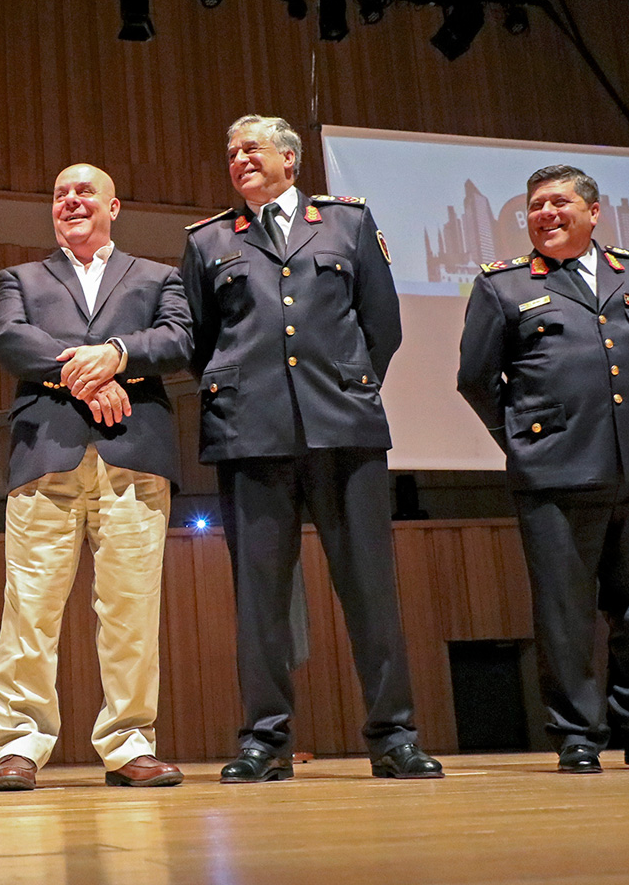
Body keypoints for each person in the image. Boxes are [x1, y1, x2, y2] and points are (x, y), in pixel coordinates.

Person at [181, 115, 442, 782]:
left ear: (290, 161)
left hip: (344, 432)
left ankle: (394, 738)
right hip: (251, 436)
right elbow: (202, 341)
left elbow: (382, 323)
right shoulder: (210, 240)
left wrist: (344, 389)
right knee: (260, 601)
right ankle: (264, 742)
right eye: (231, 151)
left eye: (253, 149)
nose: (239, 159)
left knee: (372, 593)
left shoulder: (348, 223)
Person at [458, 163, 629, 773]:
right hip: (553, 474)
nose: (545, 215)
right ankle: (579, 734)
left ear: (592, 210)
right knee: (565, 613)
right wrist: (528, 440)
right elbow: (476, 380)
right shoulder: (501, 285)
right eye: (535, 207)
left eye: (557, 203)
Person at [0, 164, 192, 792]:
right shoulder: (18, 277)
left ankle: (130, 744)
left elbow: (179, 338)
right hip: (46, 452)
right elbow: (9, 340)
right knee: (30, 610)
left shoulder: (161, 276)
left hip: (135, 455)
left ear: (114, 206)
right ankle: (18, 745)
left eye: (83, 192)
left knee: (131, 611)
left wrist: (118, 357)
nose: (70, 201)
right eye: (59, 194)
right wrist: (90, 372)